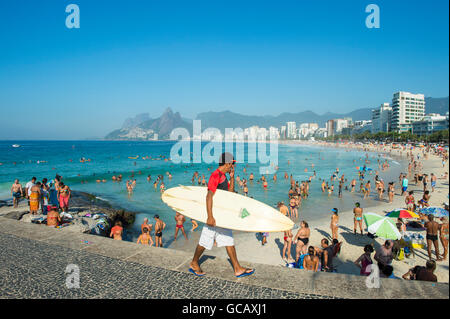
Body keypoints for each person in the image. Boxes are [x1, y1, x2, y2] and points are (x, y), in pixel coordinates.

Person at [189, 152, 254, 278]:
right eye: (232, 164)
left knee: (228, 240)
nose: (232, 166)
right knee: (204, 241)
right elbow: (209, 195)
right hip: (214, 215)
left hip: (222, 216)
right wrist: (210, 216)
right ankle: (194, 262)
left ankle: (237, 268)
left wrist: (232, 177)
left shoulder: (223, 176)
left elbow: (229, 193)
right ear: (228, 163)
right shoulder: (215, 175)